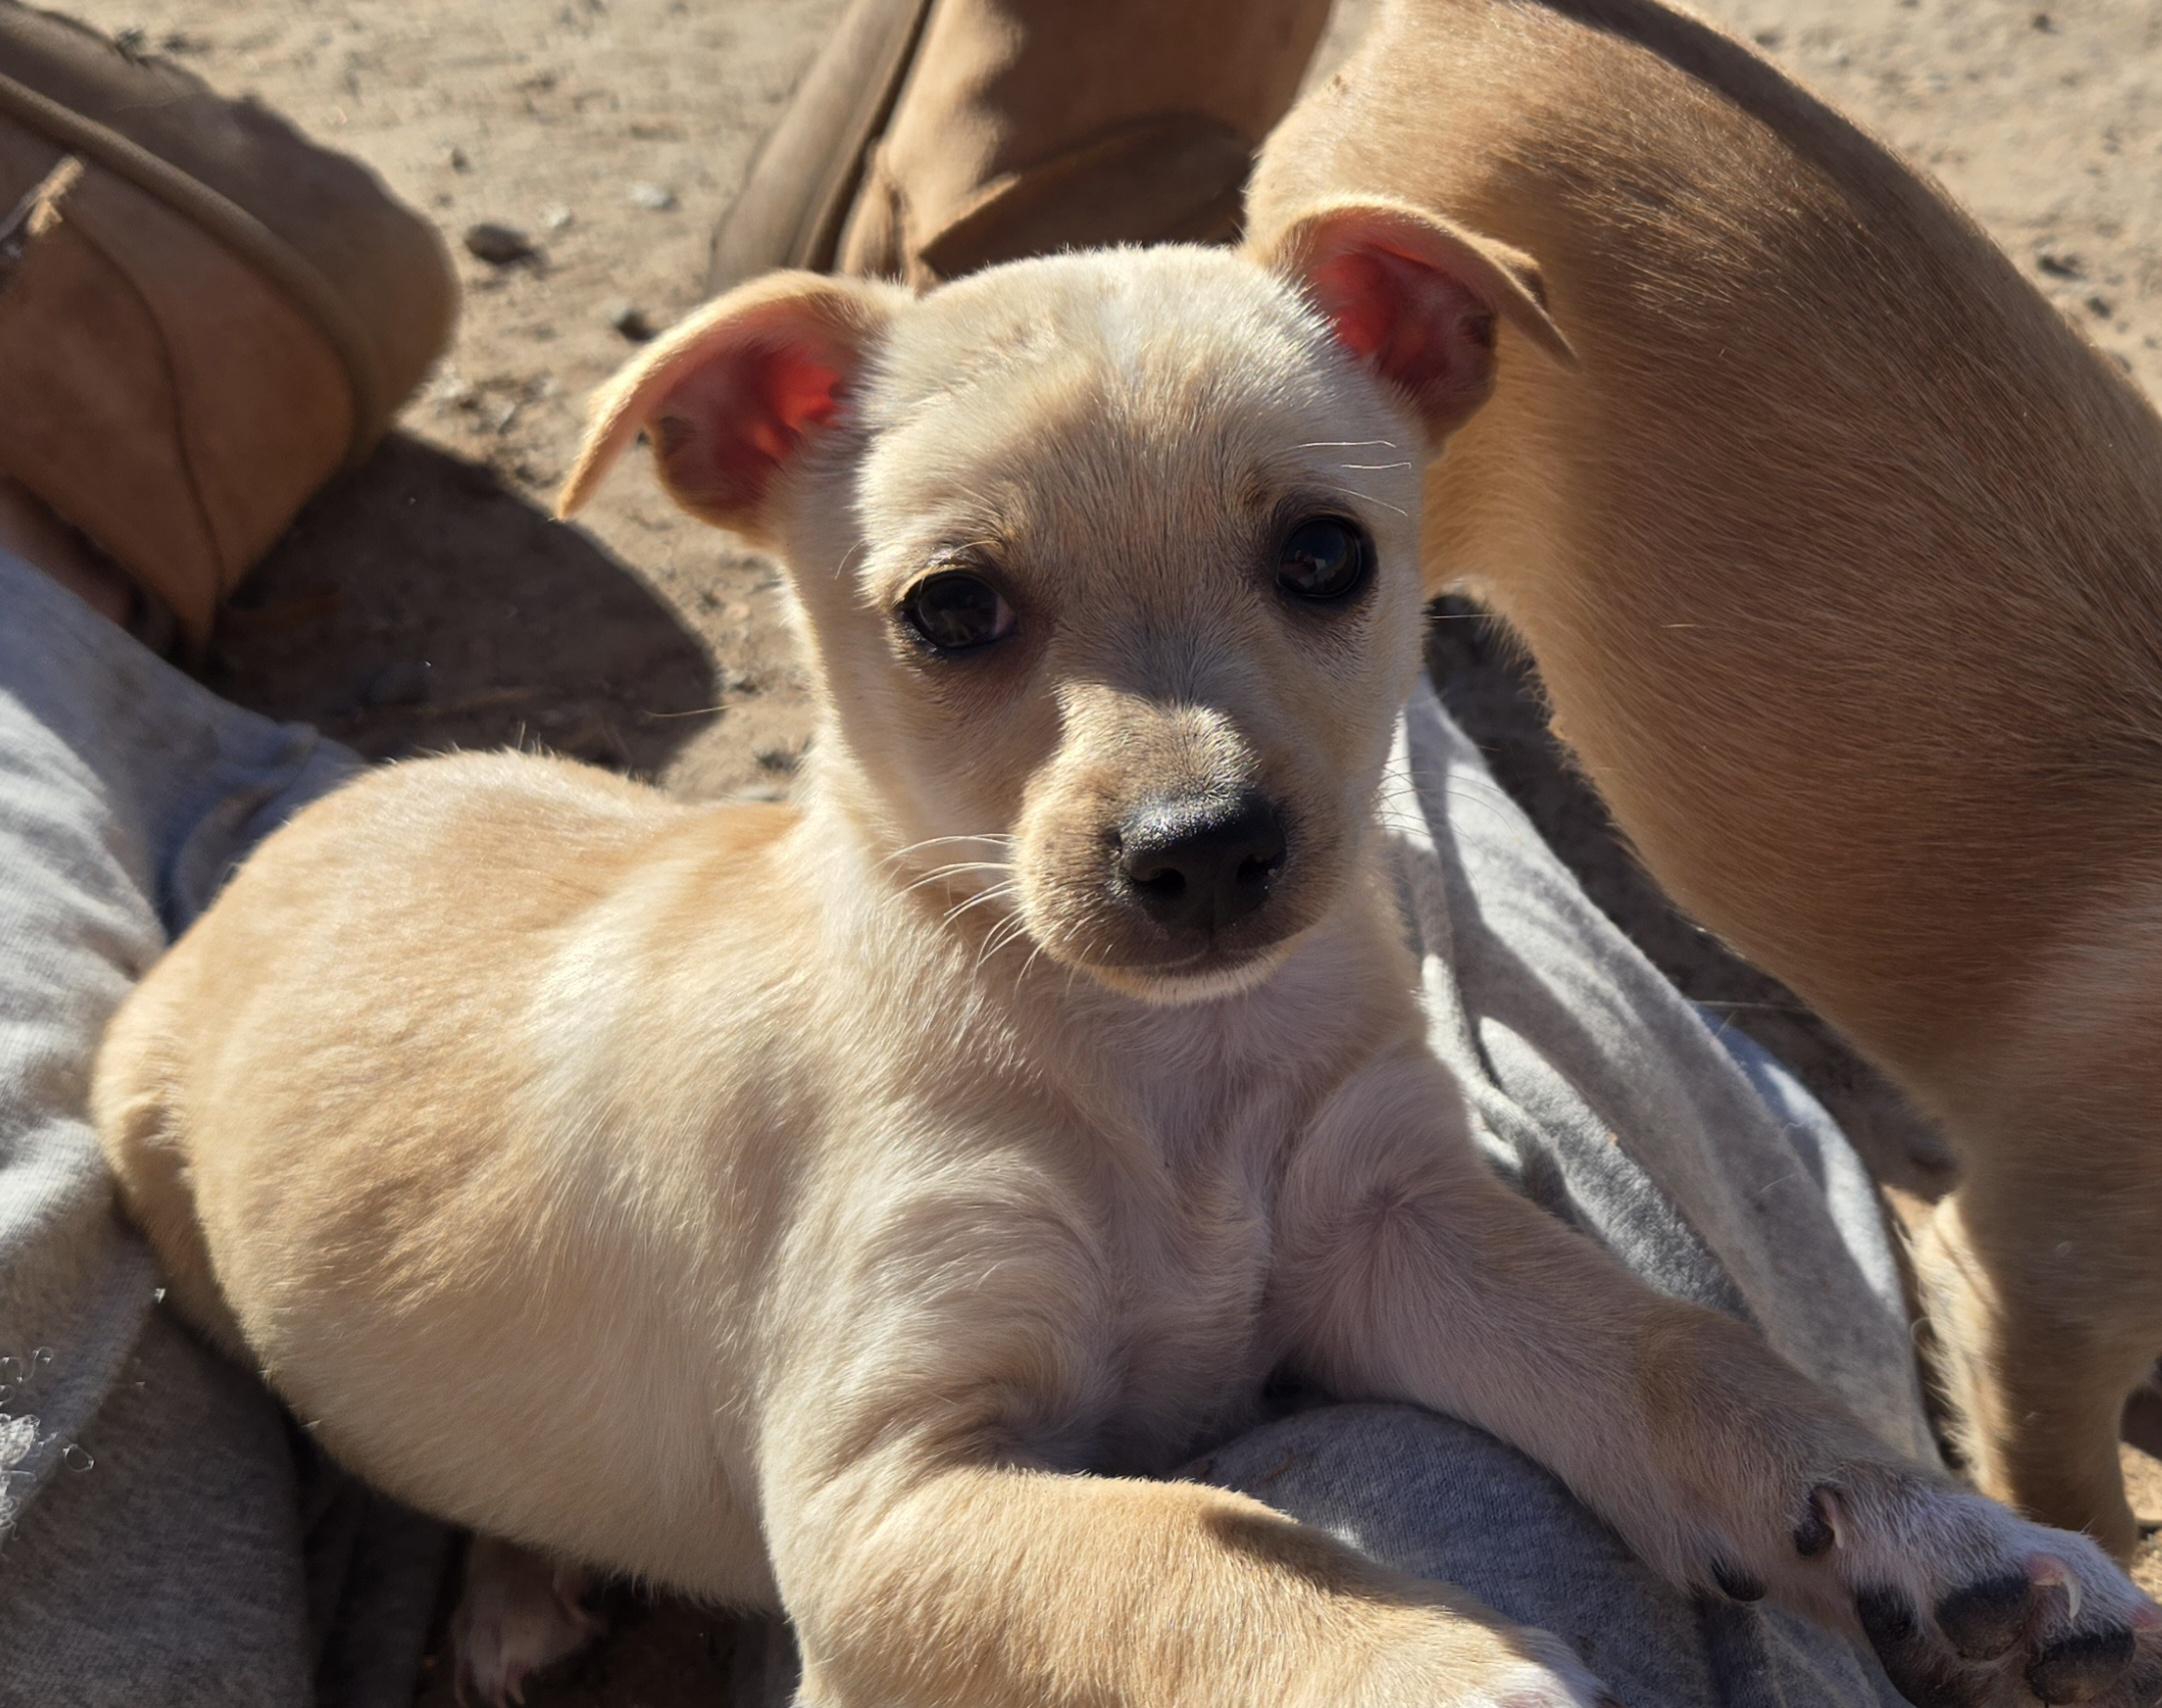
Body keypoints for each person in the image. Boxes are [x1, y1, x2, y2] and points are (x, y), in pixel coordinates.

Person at [1, 4, 1927, 1703]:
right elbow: (895, 1540)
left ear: (1429, 346)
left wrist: (1847, 1482)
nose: (1180, 789)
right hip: (314, 997)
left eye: (1315, 562)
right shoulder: (869, 1051)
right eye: (964, 613)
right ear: (748, 442)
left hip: (527, 866)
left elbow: (1413, 1248)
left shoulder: (1306, 942)